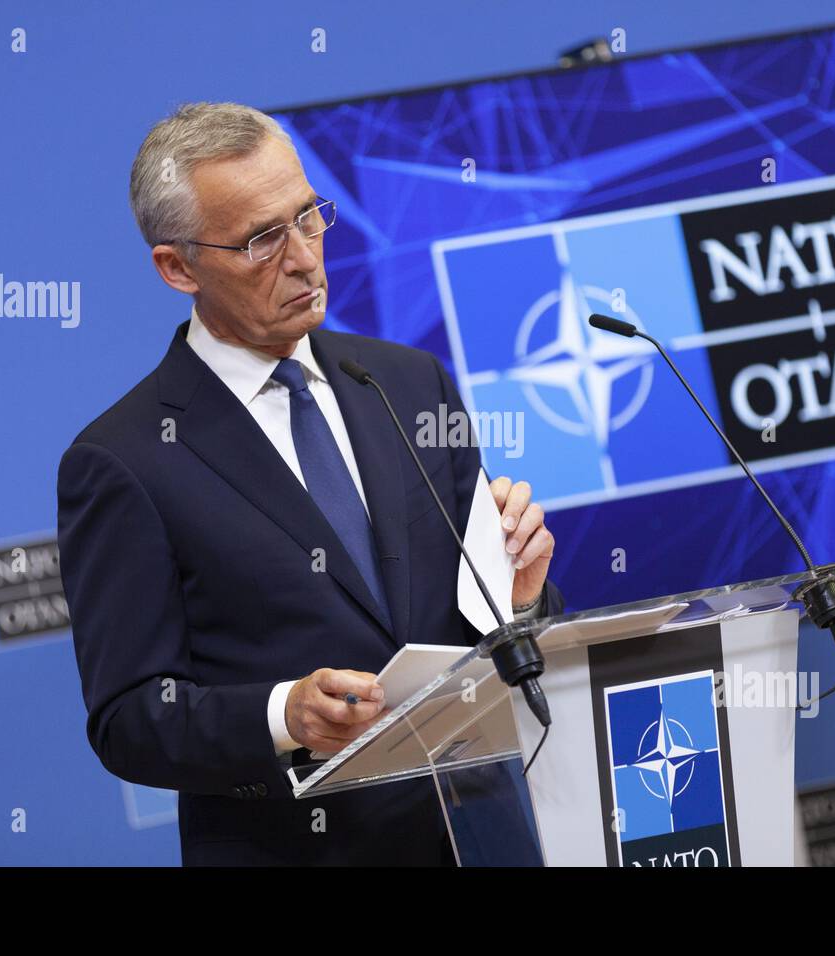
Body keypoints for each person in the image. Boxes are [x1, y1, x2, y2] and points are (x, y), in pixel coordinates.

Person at [56, 102, 563, 865]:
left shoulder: (408, 382)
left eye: (309, 217)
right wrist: (283, 715)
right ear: (177, 266)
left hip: (484, 837)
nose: (303, 257)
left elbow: (486, 633)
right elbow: (131, 718)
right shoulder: (124, 461)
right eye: (262, 239)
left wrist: (521, 598)